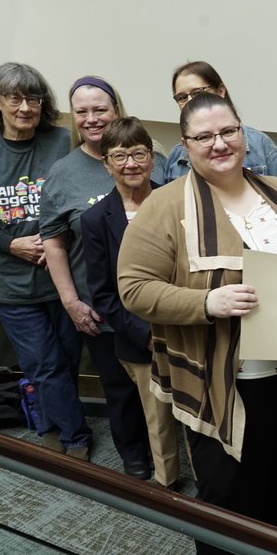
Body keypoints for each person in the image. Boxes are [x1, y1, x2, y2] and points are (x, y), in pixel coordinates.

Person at [117, 93, 277, 555]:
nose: (220, 144)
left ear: (244, 133)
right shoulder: (166, 207)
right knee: (226, 489)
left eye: (229, 131)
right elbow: (133, 288)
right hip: (227, 383)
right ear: (186, 146)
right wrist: (205, 304)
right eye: (205, 136)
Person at [0, 62, 91, 458]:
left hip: (65, 282)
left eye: (33, 98)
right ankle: (75, 438)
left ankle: (48, 423)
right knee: (44, 364)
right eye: (14, 98)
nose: (25, 107)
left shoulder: (63, 141)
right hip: (10, 287)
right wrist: (11, 245)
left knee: (64, 362)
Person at [40, 76, 168, 474]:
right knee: (120, 392)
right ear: (73, 117)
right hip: (102, 308)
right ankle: (133, 457)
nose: (92, 119)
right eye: (82, 112)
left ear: (117, 111)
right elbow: (54, 242)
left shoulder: (155, 160)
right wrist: (71, 302)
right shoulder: (62, 173)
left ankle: (168, 457)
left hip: (159, 306)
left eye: (101, 110)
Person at [80, 117, 181, 489]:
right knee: (157, 418)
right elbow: (103, 291)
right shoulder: (94, 220)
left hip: (186, 326)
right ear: (106, 163)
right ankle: (168, 486)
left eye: (139, 153)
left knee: (197, 413)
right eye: (120, 156)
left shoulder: (176, 202)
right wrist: (145, 335)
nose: (131, 164)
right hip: (137, 338)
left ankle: (210, 487)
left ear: (152, 159)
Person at [163, 61, 277, 180]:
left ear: (220, 91)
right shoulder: (176, 155)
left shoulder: (260, 144)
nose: (190, 101)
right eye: (182, 97)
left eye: (197, 93)